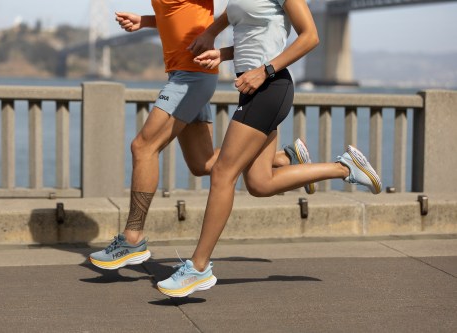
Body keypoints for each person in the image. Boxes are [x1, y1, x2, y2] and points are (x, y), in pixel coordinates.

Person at [157, 0, 382, 298]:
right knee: (260, 183)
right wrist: (217, 46)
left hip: (269, 87)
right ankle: (343, 167)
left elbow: (310, 36)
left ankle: (198, 267)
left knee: (223, 172)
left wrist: (264, 71)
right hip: (252, 89)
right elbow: (245, 30)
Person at [88, 0, 314, 270]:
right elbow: (180, 17)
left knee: (143, 147)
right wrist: (146, 21)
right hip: (185, 71)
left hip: (191, 76)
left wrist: (217, 39)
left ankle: (133, 238)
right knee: (202, 163)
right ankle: (283, 158)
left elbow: (307, 35)